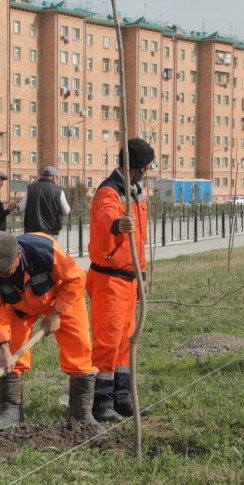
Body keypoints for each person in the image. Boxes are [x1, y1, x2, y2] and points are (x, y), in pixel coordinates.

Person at [0, 231, 103, 432]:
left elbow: (76, 278)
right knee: (13, 355)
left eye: (5, 270)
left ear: (18, 255)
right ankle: (11, 411)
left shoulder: (44, 251)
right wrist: (4, 346)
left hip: (61, 298)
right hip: (20, 307)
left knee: (78, 347)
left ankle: (82, 413)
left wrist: (57, 312)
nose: (0, 275)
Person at [87, 138, 154, 422]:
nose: (148, 172)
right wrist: (117, 224)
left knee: (127, 340)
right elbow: (107, 216)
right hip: (109, 280)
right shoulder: (109, 191)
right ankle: (101, 401)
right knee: (108, 340)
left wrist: (143, 274)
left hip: (130, 278)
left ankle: (122, 396)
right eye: (146, 167)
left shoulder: (137, 193)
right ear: (136, 167)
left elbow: (139, 241)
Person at [18, 166, 70, 239]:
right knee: (49, 250)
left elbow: (21, 208)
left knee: (32, 250)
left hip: (32, 231)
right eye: (57, 178)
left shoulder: (30, 188)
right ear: (53, 177)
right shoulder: (59, 191)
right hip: (51, 231)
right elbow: (66, 211)